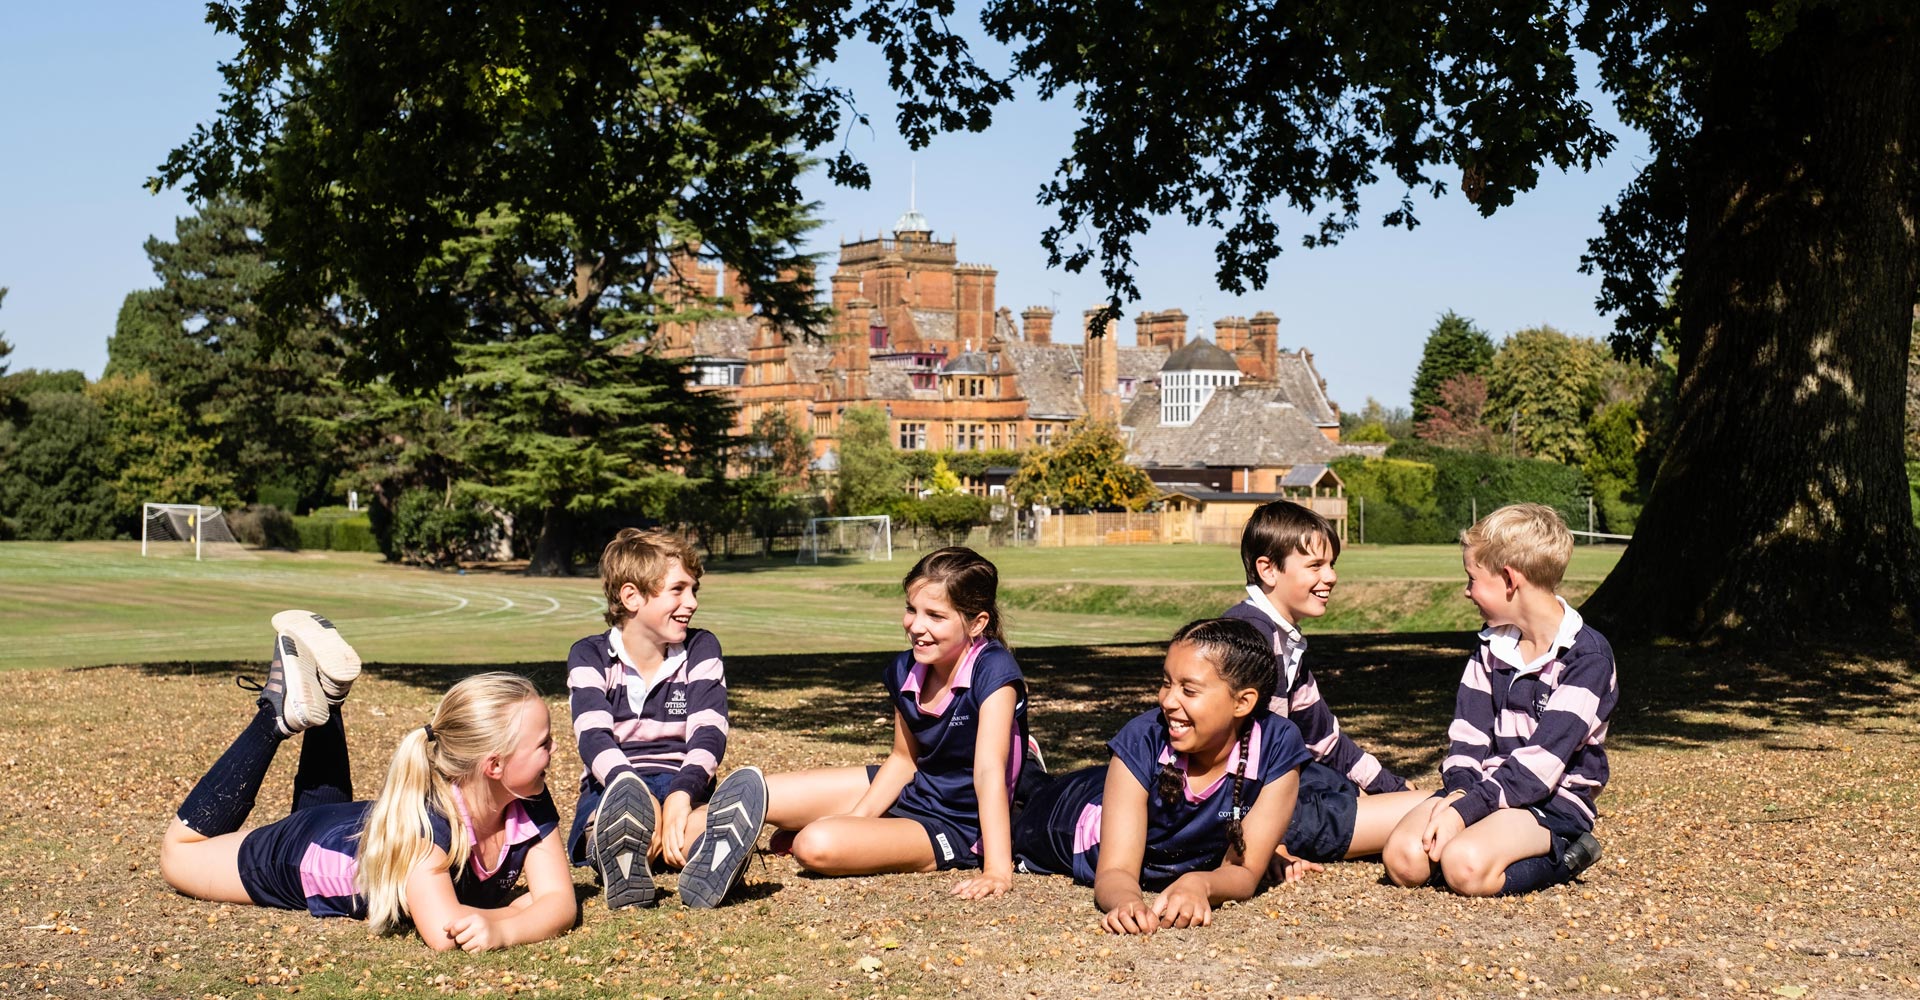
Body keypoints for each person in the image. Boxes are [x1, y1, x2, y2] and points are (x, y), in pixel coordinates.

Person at [159, 613, 576, 952]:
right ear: (494, 766)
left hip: (349, 823)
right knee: (177, 856)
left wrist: (502, 923)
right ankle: (275, 717)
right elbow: (446, 932)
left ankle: (329, 694)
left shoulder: (527, 798)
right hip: (303, 854)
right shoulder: (427, 832)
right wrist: (514, 918)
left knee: (316, 815)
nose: (555, 750)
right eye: (544, 743)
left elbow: (560, 904)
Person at [763, 546, 1036, 898]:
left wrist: (997, 870)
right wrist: (857, 822)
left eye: (935, 615)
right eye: (911, 609)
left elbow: (988, 773)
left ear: (977, 623)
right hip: (913, 791)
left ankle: (817, 832)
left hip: (957, 825)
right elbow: (903, 760)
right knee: (763, 794)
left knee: (814, 844)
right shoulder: (904, 668)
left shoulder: (994, 670)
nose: (915, 626)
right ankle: (681, 839)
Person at [1013, 618, 1311, 935]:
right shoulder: (1142, 737)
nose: (1167, 700)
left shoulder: (1278, 745)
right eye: (1166, 682)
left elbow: (1244, 871)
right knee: (1024, 793)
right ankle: (1023, 760)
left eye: (1189, 689)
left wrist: (1201, 883)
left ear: (1243, 702)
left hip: (1111, 788)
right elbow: (1115, 870)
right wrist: (1126, 901)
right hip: (1064, 819)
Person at [1382, 503, 1614, 896]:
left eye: (1472, 578)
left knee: (1465, 868)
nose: (1466, 590)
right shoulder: (1492, 646)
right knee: (1404, 859)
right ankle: (1479, 841)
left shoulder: (1586, 657)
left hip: (1551, 801)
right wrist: (1459, 791)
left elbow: (1539, 768)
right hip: (1484, 790)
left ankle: (1568, 855)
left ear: (1509, 579)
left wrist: (1463, 813)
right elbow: (1468, 735)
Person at [1221, 500, 1430, 877]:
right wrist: (1263, 842)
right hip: (1250, 807)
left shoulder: (1283, 639)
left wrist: (1389, 785)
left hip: (1279, 792)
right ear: (1267, 569)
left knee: (1385, 797)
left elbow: (1323, 737)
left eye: (1332, 564)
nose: (1330, 577)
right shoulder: (1251, 638)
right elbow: (1227, 752)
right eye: (1315, 566)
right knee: (1431, 812)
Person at [565, 528, 764, 910]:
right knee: (612, 820)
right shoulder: (589, 655)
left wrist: (680, 793)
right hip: (615, 786)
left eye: (694, 590)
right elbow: (592, 738)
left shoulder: (700, 648)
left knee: (693, 823)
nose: (691, 602)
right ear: (631, 596)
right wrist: (632, 788)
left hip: (682, 780)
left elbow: (709, 733)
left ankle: (709, 856)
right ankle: (617, 855)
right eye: (678, 589)